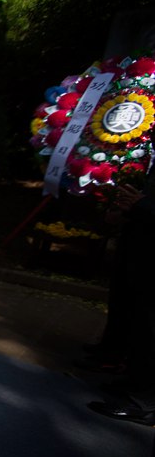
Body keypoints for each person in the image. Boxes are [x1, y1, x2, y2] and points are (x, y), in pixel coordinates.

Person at [85, 170, 155, 426]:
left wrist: (143, 206)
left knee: (151, 326)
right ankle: (137, 382)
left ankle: (147, 402)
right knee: (140, 323)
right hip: (143, 252)